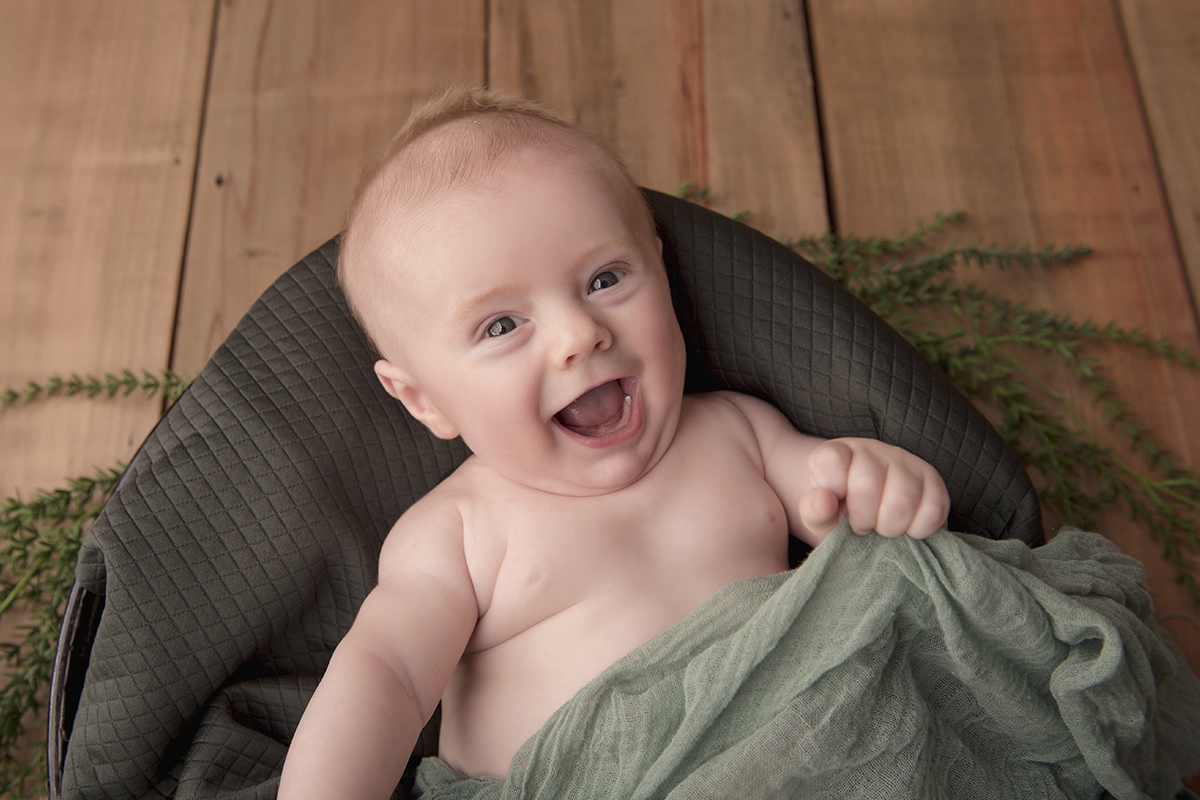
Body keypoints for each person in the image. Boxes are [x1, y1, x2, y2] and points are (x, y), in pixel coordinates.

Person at [276, 87, 950, 799]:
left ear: (660, 271)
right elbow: (386, 676)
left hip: (797, 757)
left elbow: (837, 514)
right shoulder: (458, 531)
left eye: (605, 279)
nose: (580, 334)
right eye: (502, 326)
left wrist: (868, 479)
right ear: (425, 399)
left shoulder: (739, 431)